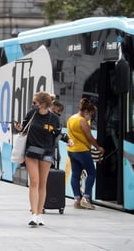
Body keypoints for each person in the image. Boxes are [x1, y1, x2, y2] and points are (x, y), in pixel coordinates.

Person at [15, 92, 61, 226]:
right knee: (34, 181)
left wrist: (67, 140)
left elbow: (57, 133)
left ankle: (39, 213)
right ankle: (34, 214)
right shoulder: (31, 114)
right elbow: (24, 128)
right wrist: (19, 128)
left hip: (47, 152)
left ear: (43, 104)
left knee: (42, 183)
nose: (32, 105)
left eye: (34, 103)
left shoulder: (54, 118)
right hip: (31, 150)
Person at [67, 98, 104, 210]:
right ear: (86, 111)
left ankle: (77, 200)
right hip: (82, 150)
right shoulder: (82, 120)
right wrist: (98, 147)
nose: (91, 116)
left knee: (75, 174)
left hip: (71, 150)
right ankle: (86, 198)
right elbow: (89, 137)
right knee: (92, 173)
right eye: (91, 113)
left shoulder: (71, 118)